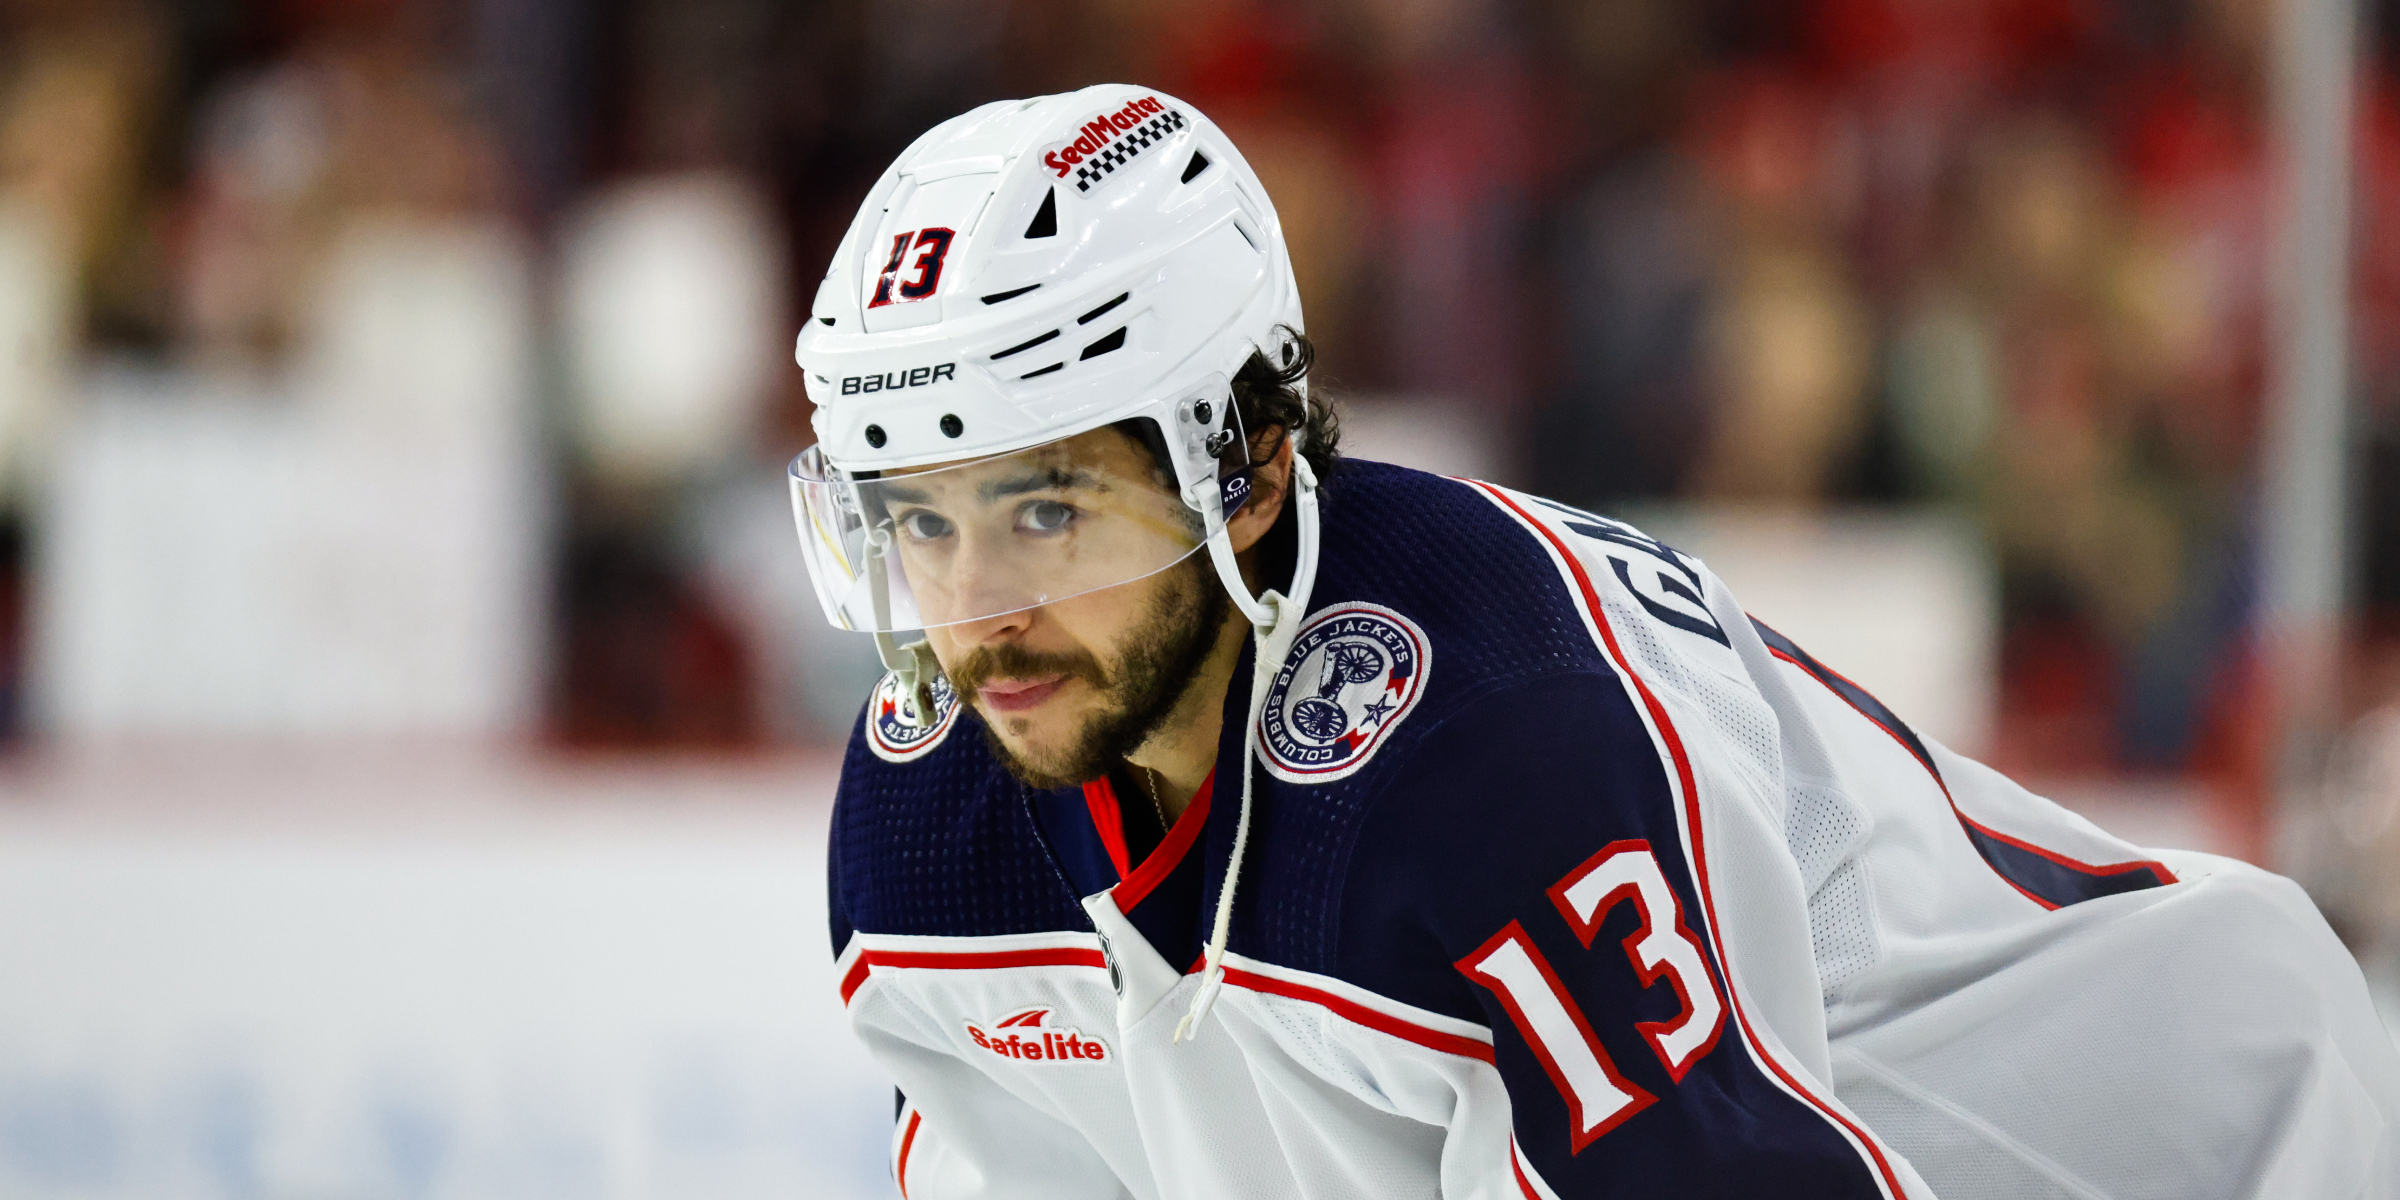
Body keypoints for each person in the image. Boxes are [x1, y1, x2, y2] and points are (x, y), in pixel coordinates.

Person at [788, 84, 2400, 1199]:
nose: (976, 605)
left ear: (1253, 462)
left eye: (1050, 508)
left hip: (2199, 1139)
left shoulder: (1488, 744)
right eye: (919, 520)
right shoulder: (930, 823)